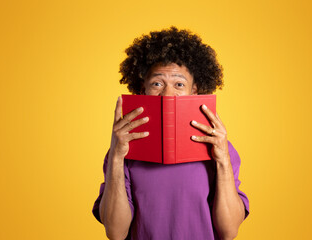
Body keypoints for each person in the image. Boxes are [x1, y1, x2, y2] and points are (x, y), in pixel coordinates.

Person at [93, 26, 249, 240]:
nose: (167, 94)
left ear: (193, 91)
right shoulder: (123, 150)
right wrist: (117, 157)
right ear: (143, 89)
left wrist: (222, 160)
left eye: (179, 84)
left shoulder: (220, 147)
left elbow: (229, 232)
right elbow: (115, 232)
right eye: (157, 83)